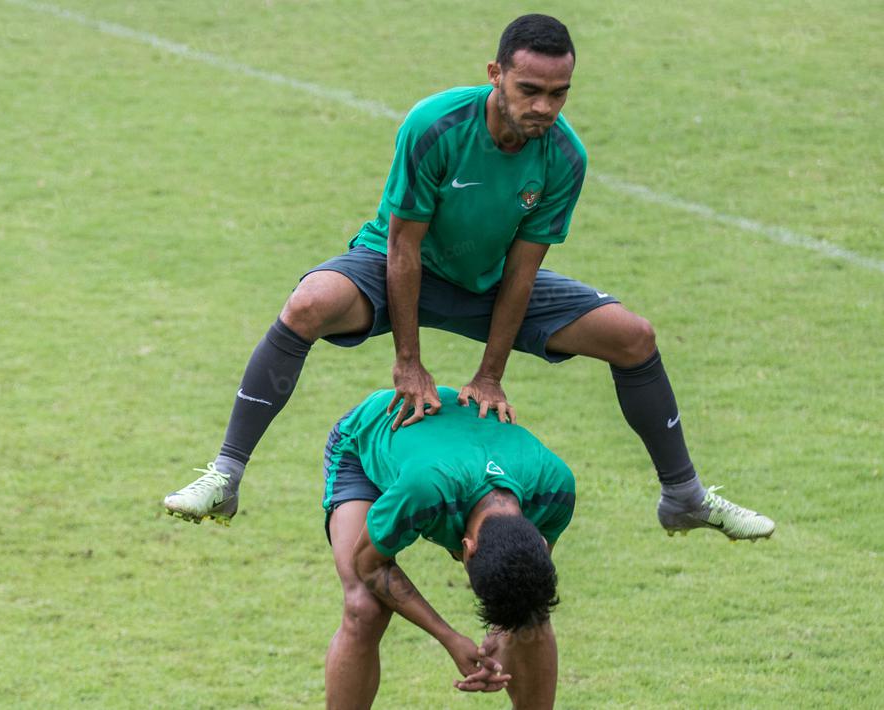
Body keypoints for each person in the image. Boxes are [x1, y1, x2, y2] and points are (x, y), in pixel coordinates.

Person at [164, 14, 774, 541]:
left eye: (558, 94)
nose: (543, 107)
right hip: (401, 266)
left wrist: (490, 374)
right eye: (529, 89)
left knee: (633, 337)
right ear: (495, 74)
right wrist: (409, 361)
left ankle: (685, 499)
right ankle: (225, 476)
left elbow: (523, 270)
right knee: (308, 305)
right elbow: (403, 249)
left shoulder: (564, 157)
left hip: (487, 281)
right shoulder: (435, 125)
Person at [323, 387, 569, 708]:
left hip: (450, 452)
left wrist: (500, 633)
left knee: (529, 611)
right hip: (368, 440)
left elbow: (530, 574)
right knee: (364, 607)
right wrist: (449, 637)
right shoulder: (425, 489)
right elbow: (370, 565)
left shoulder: (555, 487)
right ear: (464, 548)